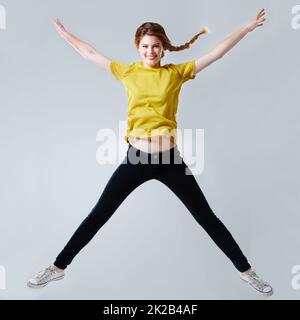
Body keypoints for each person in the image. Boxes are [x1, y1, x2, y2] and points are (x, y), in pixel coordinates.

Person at [27, 9, 273, 296]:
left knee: (206, 217)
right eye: (145, 46)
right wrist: (65, 35)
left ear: (163, 47)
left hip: (170, 160)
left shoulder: (176, 73)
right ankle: (57, 268)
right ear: (138, 47)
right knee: (99, 213)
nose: (150, 51)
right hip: (136, 159)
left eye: (155, 45)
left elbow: (216, 54)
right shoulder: (128, 71)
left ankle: (247, 272)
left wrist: (246, 29)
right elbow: (90, 53)